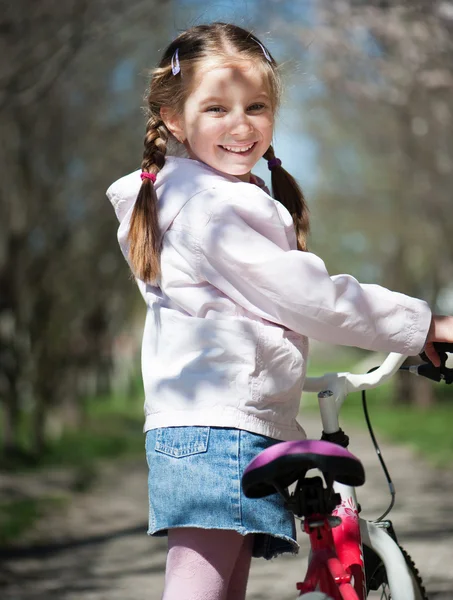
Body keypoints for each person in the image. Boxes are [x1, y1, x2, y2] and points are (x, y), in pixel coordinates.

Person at [106, 22, 453, 600]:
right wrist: (423, 326)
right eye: (216, 108)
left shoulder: (204, 199)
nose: (241, 125)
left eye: (257, 106)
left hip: (225, 421)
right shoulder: (206, 210)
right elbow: (308, 296)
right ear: (172, 119)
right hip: (215, 427)